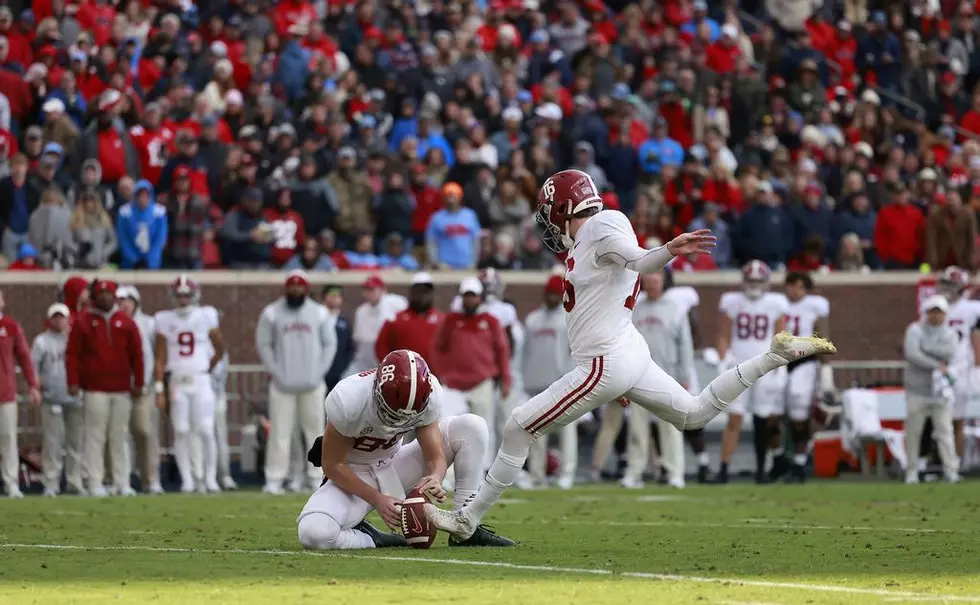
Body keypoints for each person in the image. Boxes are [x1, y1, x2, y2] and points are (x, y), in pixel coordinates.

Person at [424, 169, 835, 539]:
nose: (548, 220)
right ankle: (773, 356)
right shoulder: (592, 234)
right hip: (624, 352)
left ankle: (467, 518)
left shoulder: (602, 225)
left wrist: (669, 249)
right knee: (693, 415)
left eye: (551, 210)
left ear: (565, 207)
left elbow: (640, 260)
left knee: (517, 426)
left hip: (605, 360)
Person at [296, 349, 514, 550]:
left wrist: (435, 477)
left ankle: (465, 525)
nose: (399, 421)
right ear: (376, 390)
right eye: (392, 413)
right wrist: (377, 499)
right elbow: (332, 465)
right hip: (354, 475)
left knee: (472, 427)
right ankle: (371, 538)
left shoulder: (431, 394)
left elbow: (434, 454)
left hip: (395, 464)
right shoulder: (348, 399)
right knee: (314, 534)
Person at [256, 270, 337, 495]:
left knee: (314, 433)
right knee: (280, 433)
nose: (295, 291)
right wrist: (276, 372)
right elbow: (264, 344)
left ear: (306, 288)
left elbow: (330, 344)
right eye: (291, 287)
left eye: (299, 287)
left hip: (312, 385)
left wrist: (318, 372)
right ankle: (275, 478)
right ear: (286, 289)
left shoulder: (320, 312)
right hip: (282, 386)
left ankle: (315, 477)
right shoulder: (271, 312)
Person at [711, 261, 790, 484]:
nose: (754, 285)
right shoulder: (732, 302)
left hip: (764, 367)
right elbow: (723, 334)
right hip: (738, 367)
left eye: (758, 281)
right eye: (751, 281)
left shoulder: (776, 303)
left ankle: (761, 470)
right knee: (734, 419)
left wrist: (780, 366)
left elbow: (781, 337)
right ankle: (724, 470)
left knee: (762, 421)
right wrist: (722, 359)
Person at [66, 279, 144, 497]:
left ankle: (122, 481)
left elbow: (137, 355)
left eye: (108, 294)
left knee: (120, 435)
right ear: (94, 297)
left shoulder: (126, 323)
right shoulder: (83, 322)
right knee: (95, 436)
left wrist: (138, 382)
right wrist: (73, 381)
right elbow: (72, 354)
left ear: (114, 296)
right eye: (100, 294)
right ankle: (95, 481)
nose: (104, 297)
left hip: (121, 388)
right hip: (94, 388)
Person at [153, 275, 226, 493]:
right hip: (177, 380)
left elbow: (220, 348)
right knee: (182, 430)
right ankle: (188, 479)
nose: (183, 300)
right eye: (179, 295)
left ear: (194, 295)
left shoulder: (206, 315)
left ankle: (210, 478)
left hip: (201, 379)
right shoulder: (164, 319)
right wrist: (159, 389)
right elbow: (160, 358)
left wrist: (206, 367)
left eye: (186, 295)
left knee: (205, 429)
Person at [430, 277, 512, 468]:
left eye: (473, 296)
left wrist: (506, 379)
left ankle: (482, 470)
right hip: (453, 385)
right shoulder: (450, 321)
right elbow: (436, 348)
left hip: (482, 382)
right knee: (448, 429)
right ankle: (446, 473)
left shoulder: (490, 321)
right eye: (466, 296)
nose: (470, 300)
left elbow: (502, 351)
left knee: (484, 429)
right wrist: (441, 374)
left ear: (480, 298)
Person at [626, 271, 695, 489]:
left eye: (656, 281)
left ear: (664, 283)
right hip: (638, 376)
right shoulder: (634, 309)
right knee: (637, 429)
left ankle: (675, 472)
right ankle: (634, 472)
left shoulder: (675, 309)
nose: (652, 285)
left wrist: (684, 375)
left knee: (671, 428)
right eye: (649, 282)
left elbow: (685, 345)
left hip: (668, 377)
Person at [522, 275, 577, 489]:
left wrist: (573, 378)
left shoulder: (568, 318)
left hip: (563, 383)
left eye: (556, 293)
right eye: (550, 293)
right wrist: (524, 381)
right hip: (536, 383)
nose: (553, 297)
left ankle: (567, 473)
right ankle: (537, 474)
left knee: (567, 430)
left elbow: (574, 352)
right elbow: (525, 353)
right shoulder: (532, 319)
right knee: (536, 431)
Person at [779, 272, 833, 483]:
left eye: (799, 286)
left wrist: (826, 371)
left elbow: (822, 336)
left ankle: (800, 460)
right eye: (791, 286)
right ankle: (784, 459)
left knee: (799, 411)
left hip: (804, 361)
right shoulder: (777, 303)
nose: (794, 291)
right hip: (778, 361)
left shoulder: (814, 305)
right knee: (775, 412)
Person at [903, 295, 960, 484]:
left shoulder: (950, 334)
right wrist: (936, 364)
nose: (935, 316)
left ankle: (950, 470)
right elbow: (912, 354)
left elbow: (950, 352)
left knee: (945, 432)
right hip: (916, 391)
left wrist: (925, 350)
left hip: (940, 393)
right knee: (914, 433)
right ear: (926, 312)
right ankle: (911, 470)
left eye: (939, 312)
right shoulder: (915, 329)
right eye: (932, 311)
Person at [116, 286, 163, 494]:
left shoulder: (150, 324)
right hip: (118, 388)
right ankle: (121, 480)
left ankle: (150, 478)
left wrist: (158, 384)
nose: (124, 305)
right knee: (118, 436)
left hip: (144, 388)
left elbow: (158, 355)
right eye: (120, 300)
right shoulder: (113, 323)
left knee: (145, 433)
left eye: (127, 300)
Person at [33, 303, 82, 497]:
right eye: (55, 317)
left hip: (75, 397)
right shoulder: (41, 341)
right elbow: (33, 367)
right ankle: (51, 482)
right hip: (51, 398)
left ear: (68, 318)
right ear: (49, 319)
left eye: (62, 316)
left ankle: (74, 481)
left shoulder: (76, 339)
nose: (59, 320)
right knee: (52, 443)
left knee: (76, 443)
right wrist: (36, 386)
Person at [935, 267, 980, 460]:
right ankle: (946, 462)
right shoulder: (935, 308)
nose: (946, 289)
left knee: (957, 420)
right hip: (939, 369)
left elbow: (975, 336)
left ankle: (957, 463)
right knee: (941, 421)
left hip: (963, 368)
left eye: (950, 285)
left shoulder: (972, 309)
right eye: (944, 284)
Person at [374, 272, 444, 362]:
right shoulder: (395, 320)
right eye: (418, 291)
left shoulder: (442, 321)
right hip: (404, 374)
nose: (422, 295)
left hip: (433, 374)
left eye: (425, 291)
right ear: (411, 292)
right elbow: (381, 347)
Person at [346, 275, 407, 375]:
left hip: (390, 359)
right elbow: (359, 341)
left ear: (382, 290)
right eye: (366, 290)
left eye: (372, 289)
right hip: (366, 360)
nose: (368, 293)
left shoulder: (395, 303)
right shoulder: (361, 311)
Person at [211, 351, 237, 491]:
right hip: (197, 393)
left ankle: (224, 475)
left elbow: (221, 373)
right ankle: (204, 477)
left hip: (216, 395)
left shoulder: (218, 346)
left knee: (220, 436)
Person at [322, 285, 354, 391]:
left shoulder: (344, 322)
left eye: (338, 296)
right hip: (320, 371)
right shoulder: (318, 319)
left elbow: (349, 347)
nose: (335, 298)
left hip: (338, 372)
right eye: (332, 295)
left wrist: (343, 367)